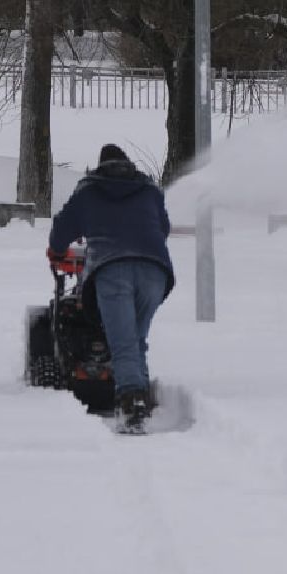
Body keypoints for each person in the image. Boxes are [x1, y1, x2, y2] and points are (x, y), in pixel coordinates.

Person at [47, 143, 174, 429]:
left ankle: (132, 402)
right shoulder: (150, 190)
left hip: (112, 269)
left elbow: (62, 230)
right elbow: (162, 229)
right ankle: (138, 393)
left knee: (123, 342)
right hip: (155, 271)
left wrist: (57, 249)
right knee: (135, 339)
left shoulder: (89, 191)